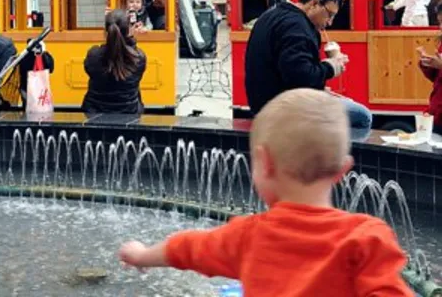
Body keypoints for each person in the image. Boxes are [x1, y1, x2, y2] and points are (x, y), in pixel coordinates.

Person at [118, 89, 412, 297]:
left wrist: (142, 255)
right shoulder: (368, 239)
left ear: (265, 163)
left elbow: (186, 249)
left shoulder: (248, 237)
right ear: (342, 170)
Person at [245, 0, 372, 129]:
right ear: (314, 4)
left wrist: (319, 89)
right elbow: (300, 77)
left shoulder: (273, 14)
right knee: (362, 116)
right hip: (281, 108)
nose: (330, 22)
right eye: (329, 14)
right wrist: (331, 67)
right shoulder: (296, 26)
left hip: (263, 102)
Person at [82, 9, 147, 114]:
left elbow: (89, 68)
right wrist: (131, 41)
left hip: (94, 113)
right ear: (129, 31)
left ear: (106, 32)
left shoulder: (93, 55)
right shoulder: (139, 58)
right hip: (129, 112)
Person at [417, 0, 442, 132]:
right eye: (440, 23)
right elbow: (437, 79)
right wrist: (427, 64)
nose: (441, 27)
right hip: (437, 113)